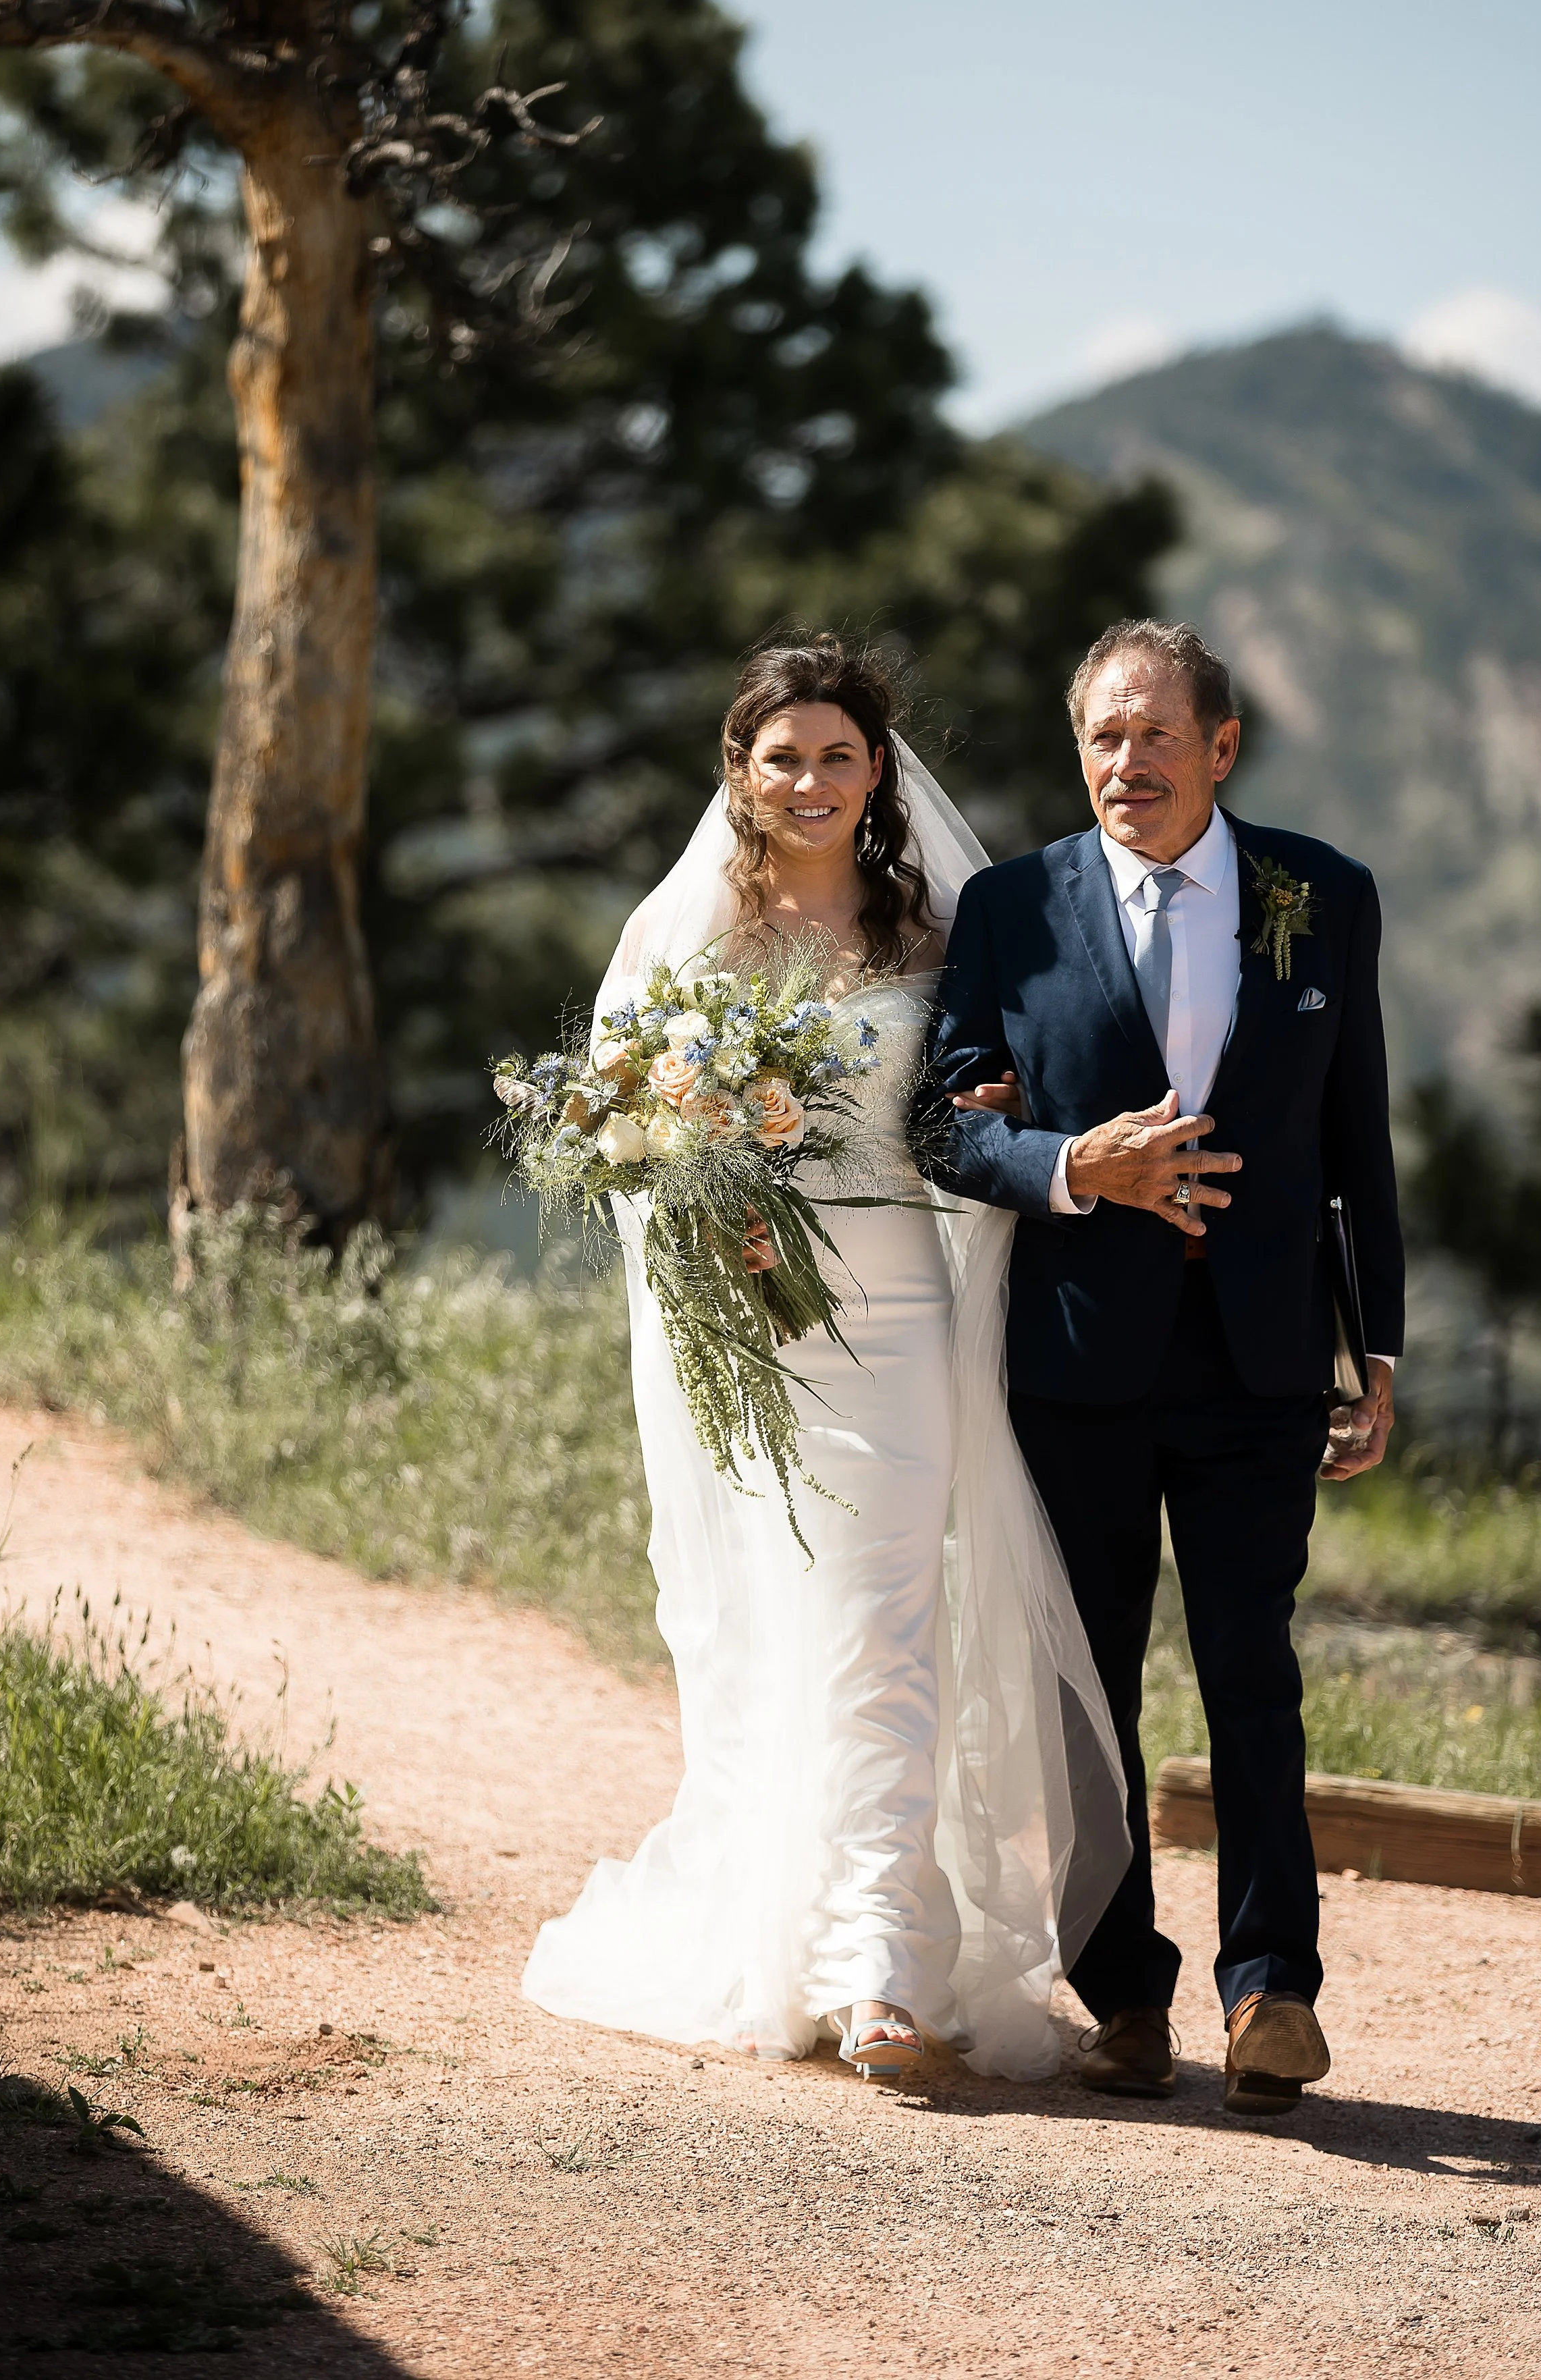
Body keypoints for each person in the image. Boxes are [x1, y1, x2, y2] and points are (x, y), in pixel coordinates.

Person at [522, 635, 1129, 2082]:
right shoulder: (685, 938)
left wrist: (995, 1102)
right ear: (739, 771)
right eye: (780, 756)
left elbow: (954, 1127)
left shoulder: (932, 936)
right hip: (748, 1327)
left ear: (877, 774)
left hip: (897, 1311)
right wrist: (703, 1207)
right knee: (773, 1628)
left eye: (836, 755)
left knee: (887, 1621)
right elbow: (619, 1137)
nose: (809, 780)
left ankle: (880, 1974)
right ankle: (792, 1937)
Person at [922, 618, 1403, 2118]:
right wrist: (1074, 1165)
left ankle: (1272, 1993)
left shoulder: (1319, 897)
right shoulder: (1011, 906)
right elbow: (945, 1127)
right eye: (1100, 738)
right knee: (1088, 1695)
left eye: (1151, 734)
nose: (1123, 762)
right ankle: (1120, 1993)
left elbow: (1355, 1135)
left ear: (1220, 747)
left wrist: (1368, 1341)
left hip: (1258, 1358)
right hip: (1075, 1359)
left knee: (1251, 1673)